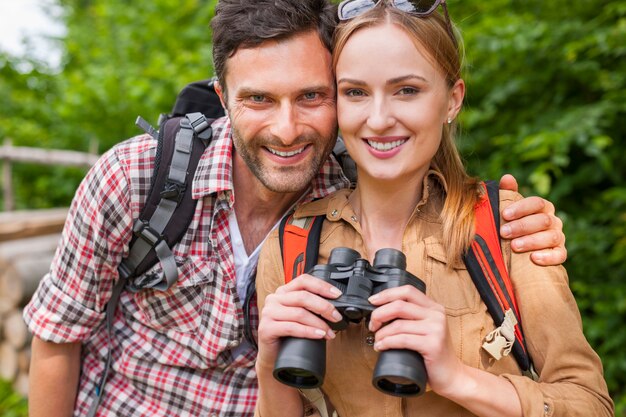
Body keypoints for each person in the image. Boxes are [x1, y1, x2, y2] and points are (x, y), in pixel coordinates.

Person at [24, 1, 568, 416]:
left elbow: (415, 148)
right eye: (259, 99)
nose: (287, 131)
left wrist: (510, 219)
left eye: (312, 97)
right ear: (223, 95)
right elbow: (57, 339)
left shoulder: (352, 188)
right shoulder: (136, 178)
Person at [254, 1, 613, 417]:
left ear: (452, 100)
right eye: (355, 92)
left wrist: (454, 376)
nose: (379, 118)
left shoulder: (506, 226)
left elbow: (592, 405)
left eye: (407, 90)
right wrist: (269, 361)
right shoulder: (292, 243)